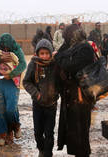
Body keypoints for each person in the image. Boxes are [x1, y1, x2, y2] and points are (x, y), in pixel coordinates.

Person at [54, 24, 96, 157]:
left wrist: (58, 57)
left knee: (81, 131)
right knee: (72, 130)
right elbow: (61, 56)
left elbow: (68, 65)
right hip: (70, 95)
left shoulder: (85, 48)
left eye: (67, 34)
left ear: (73, 35)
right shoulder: (70, 47)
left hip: (81, 96)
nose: (65, 36)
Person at [0, 33, 27, 146]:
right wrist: (0, 59)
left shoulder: (17, 49)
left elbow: (23, 64)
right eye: (3, 48)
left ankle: (16, 126)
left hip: (12, 81)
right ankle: (2, 135)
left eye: (8, 48)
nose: (6, 50)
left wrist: (12, 74)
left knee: (11, 108)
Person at [23, 39, 60, 157]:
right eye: (42, 54)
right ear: (37, 54)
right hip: (38, 105)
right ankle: (41, 149)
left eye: (47, 53)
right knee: (38, 132)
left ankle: (48, 153)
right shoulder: (34, 64)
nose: (44, 56)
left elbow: (62, 80)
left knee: (49, 133)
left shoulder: (55, 64)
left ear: (50, 53)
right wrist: (36, 94)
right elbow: (26, 82)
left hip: (51, 106)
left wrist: (56, 93)